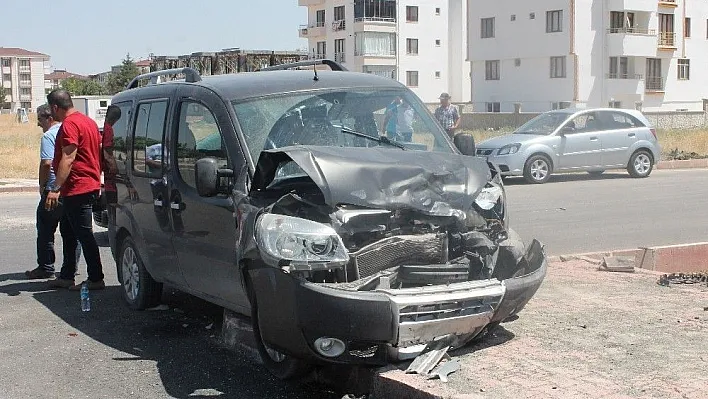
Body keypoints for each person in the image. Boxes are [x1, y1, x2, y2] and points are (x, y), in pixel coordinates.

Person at [45, 89, 105, 291]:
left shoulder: (70, 124)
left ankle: (96, 278)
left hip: (79, 186)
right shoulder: (87, 121)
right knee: (69, 232)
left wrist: (55, 188)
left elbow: (68, 158)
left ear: (55, 107)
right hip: (84, 185)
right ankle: (67, 275)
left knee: (84, 234)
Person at [24, 105, 81, 280]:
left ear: (48, 118)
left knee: (45, 227)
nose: (38, 125)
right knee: (71, 231)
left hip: (54, 189)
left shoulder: (49, 136)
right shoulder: (69, 130)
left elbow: (47, 163)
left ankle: (46, 266)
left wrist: (43, 186)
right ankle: (71, 268)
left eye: (40, 120)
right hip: (70, 188)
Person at [101, 105, 121, 206]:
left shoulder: (104, 127)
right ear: (116, 119)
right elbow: (107, 152)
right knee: (112, 203)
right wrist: (115, 168)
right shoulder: (109, 129)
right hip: (108, 175)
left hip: (104, 171)